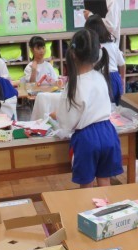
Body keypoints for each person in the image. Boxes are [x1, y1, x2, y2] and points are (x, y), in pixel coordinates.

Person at [52, 29, 122, 188]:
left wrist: (57, 116)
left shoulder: (73, 84)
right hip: (108, 132)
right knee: (105, 180)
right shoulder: (101, 77)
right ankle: (107, 204)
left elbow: (67, 122)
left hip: (87, 138)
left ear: (73, 54)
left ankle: (88, 205)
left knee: (86, 186)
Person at [85, 14, 125, 105]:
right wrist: (122, 79)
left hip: (101, 78)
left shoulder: (93, 48)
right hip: (115, 77)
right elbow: (122, 64)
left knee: (103, 106)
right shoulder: (113, 45)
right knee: (116, 107)